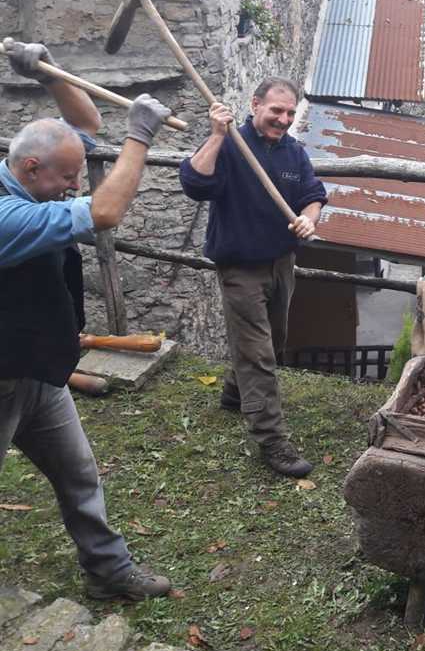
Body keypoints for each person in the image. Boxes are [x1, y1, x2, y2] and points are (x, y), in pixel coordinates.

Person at [0, 40, 173, 600]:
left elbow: (85, 123)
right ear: (31, 167)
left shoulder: (34, 174)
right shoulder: (6, 215)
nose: (75, 187)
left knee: (79, 476)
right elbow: (104, 211)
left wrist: (49, 75)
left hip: (40, 371)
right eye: (68, 179)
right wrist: (140, 135)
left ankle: (108, 571)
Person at [179, 77, 327, 478]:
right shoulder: (229, 144)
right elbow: (193, 183)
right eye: (276, 110)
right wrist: (215, 135)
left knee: (271, 341)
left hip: (282, 263)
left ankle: (233, 392)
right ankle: (272, 441)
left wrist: (307, 219)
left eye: (291, 113)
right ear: (255, 103)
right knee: (259, 353)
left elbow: (314, 194)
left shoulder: (294, 153)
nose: (284, 119)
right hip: (240, 266)